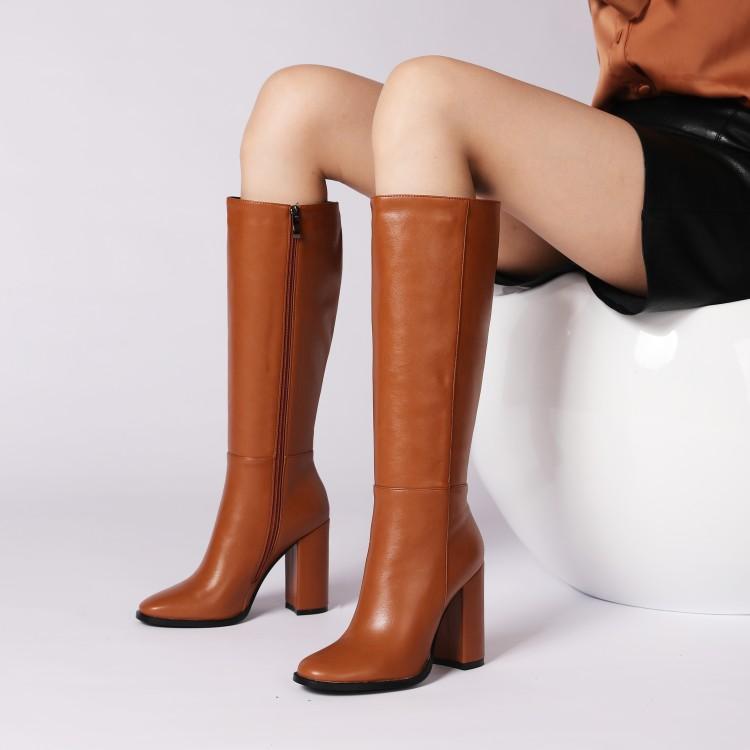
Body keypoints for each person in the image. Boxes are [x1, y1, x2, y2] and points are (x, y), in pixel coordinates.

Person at [136, 0, 750, 693]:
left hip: (731, 167)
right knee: (296, 105)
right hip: (626, 148)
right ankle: (268, 506)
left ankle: (424, 550)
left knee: (430, 93)